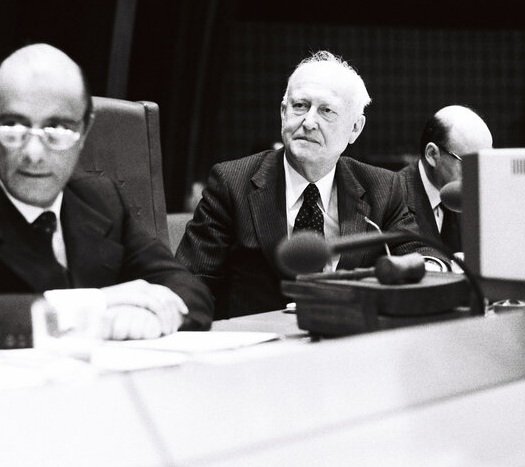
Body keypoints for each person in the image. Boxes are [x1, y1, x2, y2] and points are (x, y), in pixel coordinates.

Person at [0, 44, 212, 356]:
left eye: (57, 128)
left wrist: (152, 315)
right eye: (13, 126)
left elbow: (190, 291)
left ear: (86, 130)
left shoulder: (101, 200)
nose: (33, 154)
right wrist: (95, 310)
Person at [176, 50, 439, 320]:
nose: (309, 122)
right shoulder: (233, 182)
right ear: (283, 112)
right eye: (300, 106)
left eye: (326, 111)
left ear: (355, 128)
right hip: (261, 348)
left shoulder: (383, 187)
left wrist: (426, 268)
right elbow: (190, 280)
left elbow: (421, 256)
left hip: (352, 343)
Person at [398, 105, 493, 254]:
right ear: (432, 154)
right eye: (469, 164)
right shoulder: (393, 199)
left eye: (484, 163)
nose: (479, 176)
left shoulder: (476, 200)